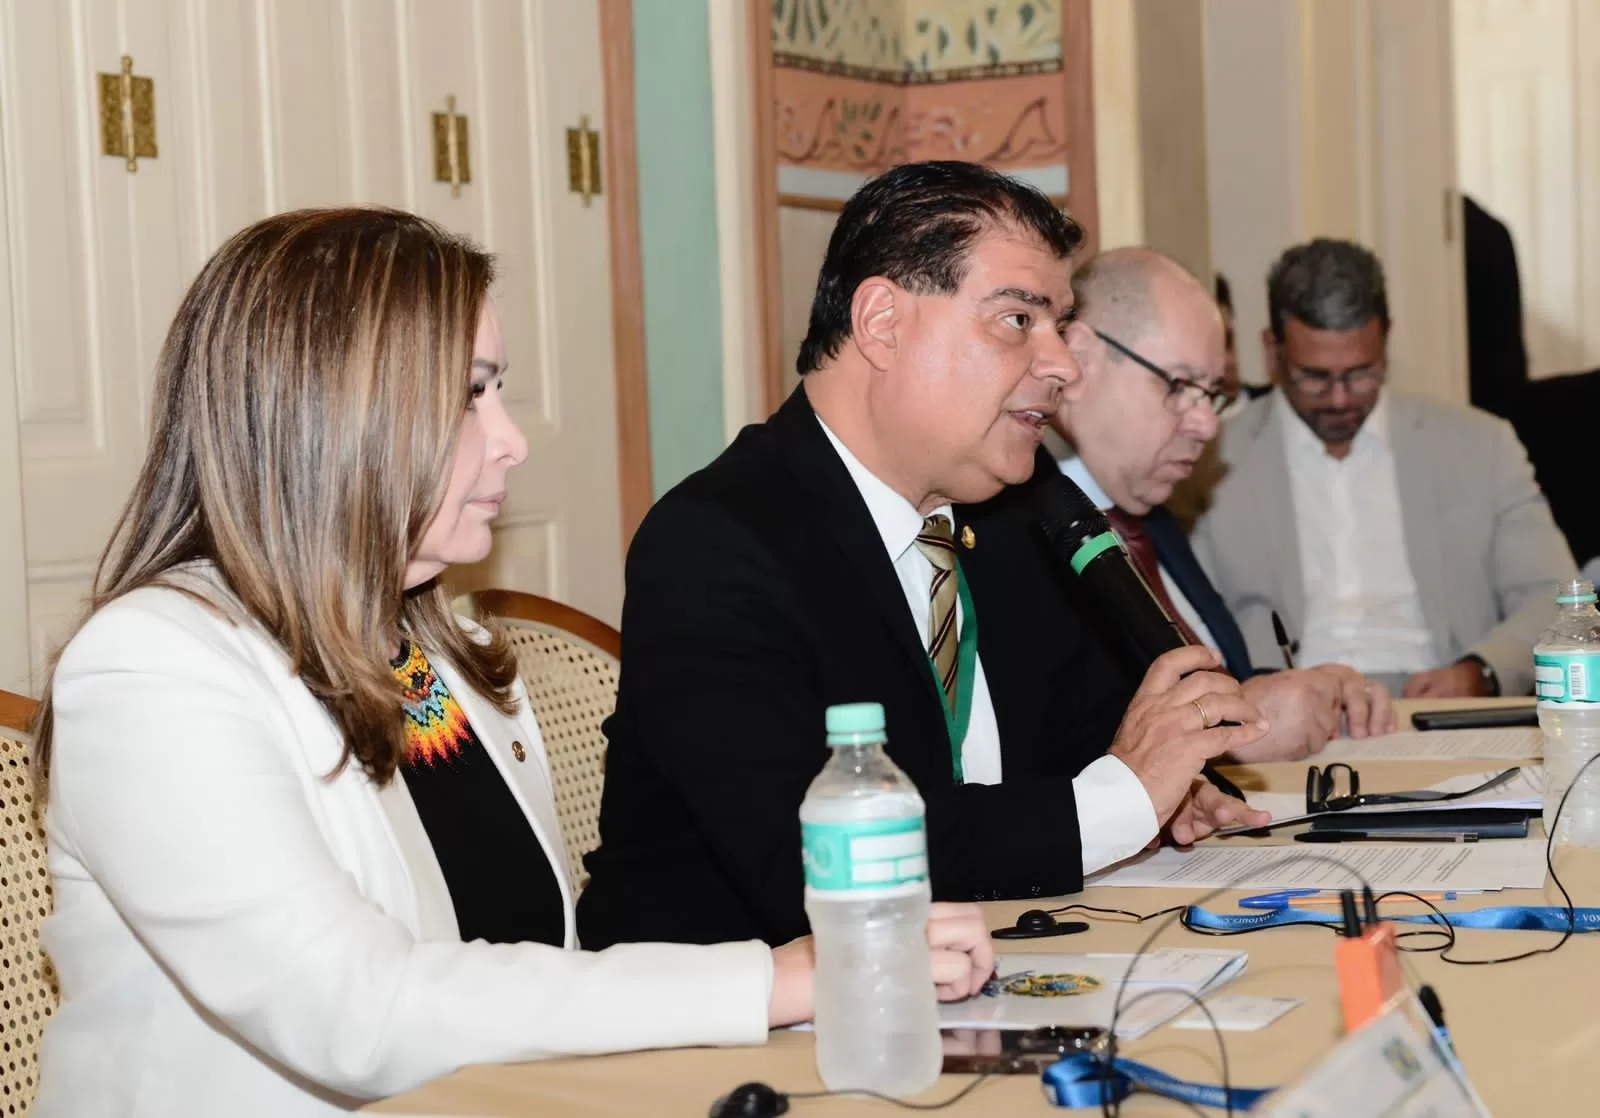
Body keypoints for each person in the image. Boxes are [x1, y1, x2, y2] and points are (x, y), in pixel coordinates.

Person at [31, 209, 994, 1118]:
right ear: (329, 415)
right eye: (469, 395)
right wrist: (782, 978)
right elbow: (353, 1011)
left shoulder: (438, 654)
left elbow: (534, 967)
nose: (513, 441)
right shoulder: (151, 668)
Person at [577, 161, 1271, 952]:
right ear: (882, 323)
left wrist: (1160, 793)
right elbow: (809, 860)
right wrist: (1116, 801)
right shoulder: (715, 543)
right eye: (1018, 319)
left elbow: (1083, 745)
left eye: (1060, 325)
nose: (1063, 365)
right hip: (741, 1005)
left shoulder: (1008, 518)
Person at [1190, 237, 1576, 699]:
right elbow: (1182, 622)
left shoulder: (1481, 447)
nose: (1339, 399)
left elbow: (1556, 600)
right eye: (1314, 377)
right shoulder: (1207, 460)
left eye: (1360, 374)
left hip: (1436, 703)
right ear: (1273, 352)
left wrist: (1481, 673)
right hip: (1282, 712)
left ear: (1386, 340)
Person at [1051, 248, 1393, 761]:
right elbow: (1045, 754)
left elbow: (1227, 681)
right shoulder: (1016, 534)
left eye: (1211, 393)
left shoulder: (1154, 524)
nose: (1207, 426)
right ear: (1080, 360)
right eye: (1178, 385)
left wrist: (1305, 692)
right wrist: (1231, 740)